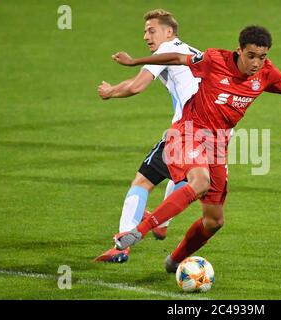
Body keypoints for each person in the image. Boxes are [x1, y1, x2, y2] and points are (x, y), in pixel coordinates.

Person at [112, 25, 281, 273]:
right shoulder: (215, 59)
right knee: (200, 182)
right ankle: (140, 231)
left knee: (214, 221)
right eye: (251, 56)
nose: (256, 63)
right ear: (239, 50)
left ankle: (174, 261)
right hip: (189, 132)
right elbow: (176, 57)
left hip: (217, 146)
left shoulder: (267, 73)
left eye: (262, 57)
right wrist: (135, 62)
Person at [95, 9, 201, 263]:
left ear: (169, 32)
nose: (146, 36)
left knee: (142, 182)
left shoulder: (165, 52)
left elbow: (136, 86)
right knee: (190, 174)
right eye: (145, 31)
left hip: (187, 130)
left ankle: (121, 247)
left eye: (151, 30)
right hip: (216, 134)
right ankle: (163, 222)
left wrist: (109, 92)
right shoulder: (194, 52)